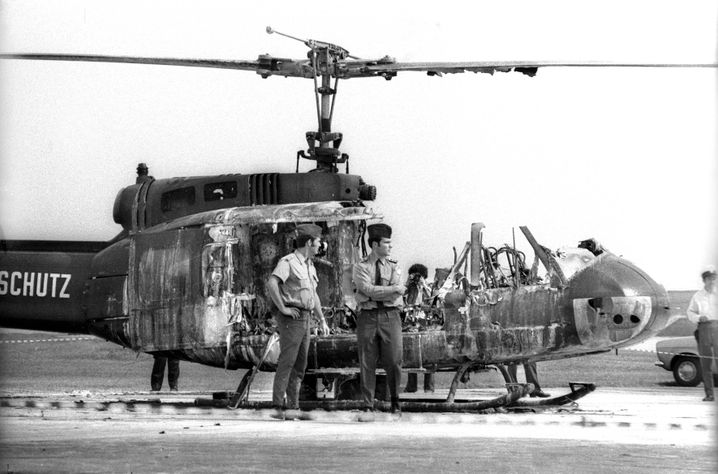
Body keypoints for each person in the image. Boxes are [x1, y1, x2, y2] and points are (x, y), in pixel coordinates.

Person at [266, 223, 330, 414]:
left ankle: (293, 405)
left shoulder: (309, 266)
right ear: (309, 242)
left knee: (300, 364)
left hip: (306, 319)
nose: (320, 246)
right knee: (287, 362)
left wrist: (322, 319)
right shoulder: (288, 262)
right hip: (292, 319)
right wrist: (283, 308)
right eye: (318, 242)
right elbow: (272, 283)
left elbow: (313, 295)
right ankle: (278, 405)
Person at [352, 223, 405, 413]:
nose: (390, 246)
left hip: (390, 317)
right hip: (367, 317)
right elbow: (366, 289)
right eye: (387, 243)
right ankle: (368, 404)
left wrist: (371, 293)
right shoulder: (361, 267)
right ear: (375, 245)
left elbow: (397, 291)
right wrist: (390, 290)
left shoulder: (394, 267)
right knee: (367, 361)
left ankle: (395, 400)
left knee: (394, 360)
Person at [686, 267, 717, 402]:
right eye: (709, 279)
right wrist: (699, 318)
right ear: (704, 280)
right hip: (704, 329)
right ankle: (709, 394)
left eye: (714, 279)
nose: (712, 281)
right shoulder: (698, 296)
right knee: (706, 363)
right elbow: (690, 313)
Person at [403, 263, 435, 393]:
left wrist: (424, 285)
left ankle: (429, 386)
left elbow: (432, 299)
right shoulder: (409, 287)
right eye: (415, 275)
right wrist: (408, 282)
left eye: (419, 275)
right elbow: (402, 295)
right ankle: (412, 385)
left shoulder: (428, 287)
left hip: (424, 319)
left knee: (428, 351)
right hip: (411, 319)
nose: (417, 278)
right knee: (411, 352)